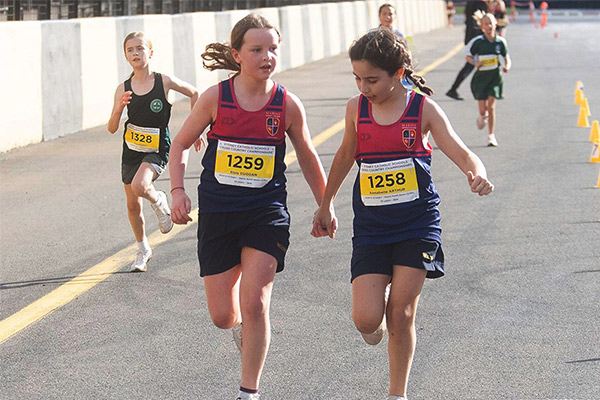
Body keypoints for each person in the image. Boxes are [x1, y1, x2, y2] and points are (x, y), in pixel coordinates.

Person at [311, 28, 494, 400]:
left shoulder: (422, 109)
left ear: (398, 73)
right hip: (372, 226)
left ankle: (398, 394)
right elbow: (346, 155)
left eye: (372, 79)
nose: (364, 87)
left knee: (402, 313)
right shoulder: (355, 109)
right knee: (366, 318)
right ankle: (375, 324)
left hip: (417, 224)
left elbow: (461, 151)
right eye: (357, 78)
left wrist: (477, 173)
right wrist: (326, 203)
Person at [168, 13, 327, 400]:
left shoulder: (287, 104)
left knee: (255, 302)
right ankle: (239, 328)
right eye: (256, 49)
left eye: (273, 48)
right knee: (224, 316)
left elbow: (307, 155)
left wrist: (326, 204)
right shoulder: (214, 99)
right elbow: (179, 144)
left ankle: (249, 392)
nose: (266, 56)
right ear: (237, 55)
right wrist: (176, 190)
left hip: (265, 212)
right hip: (220, 215)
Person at [107, 31, 198, 272]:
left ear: (151, 52)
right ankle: (143, 249)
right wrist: (118, 109)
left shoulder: (163, 81)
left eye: (140, 48)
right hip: (131, 151)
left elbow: (194, 92)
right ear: (126, 57)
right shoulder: (123, 88)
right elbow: (112, 127)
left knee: (141, 185)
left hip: (156, 150)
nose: (135, 53)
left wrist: (196, 129)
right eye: (130, 50)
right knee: (132, 205)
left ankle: (159, 200)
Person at [467, 11, 511, 146]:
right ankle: (482, 116)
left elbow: (506, 57)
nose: (489, 26)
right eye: (486, 24)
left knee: (491, 107)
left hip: (495, 77)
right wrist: (475, 62)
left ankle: (491, 136)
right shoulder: (478, 42)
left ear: (496, 24)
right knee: (483, 109)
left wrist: (507, 66)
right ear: (482, 27)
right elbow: (468, 56)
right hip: (480, 79)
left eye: (491, 23)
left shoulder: (500, 42)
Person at [446, 0, 489, 100]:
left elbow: (467, 17)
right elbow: (479, 22)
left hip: (470, 36)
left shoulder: (471, 3)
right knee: (473, 64)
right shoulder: (479, 4)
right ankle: (453, 89)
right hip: (476, 38)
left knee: (472, 65)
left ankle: (453, 89)